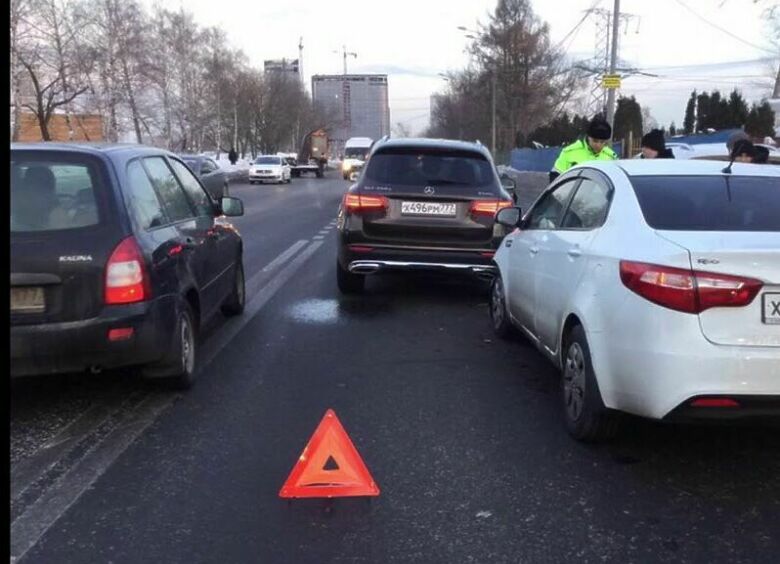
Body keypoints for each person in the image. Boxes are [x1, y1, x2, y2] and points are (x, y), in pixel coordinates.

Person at [550, 116, 617, 183]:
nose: (598, 145)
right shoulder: (569, 153)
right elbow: (555, 179)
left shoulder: (611, 158)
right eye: (595, 141)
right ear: (588, 137)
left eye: (602, 142)